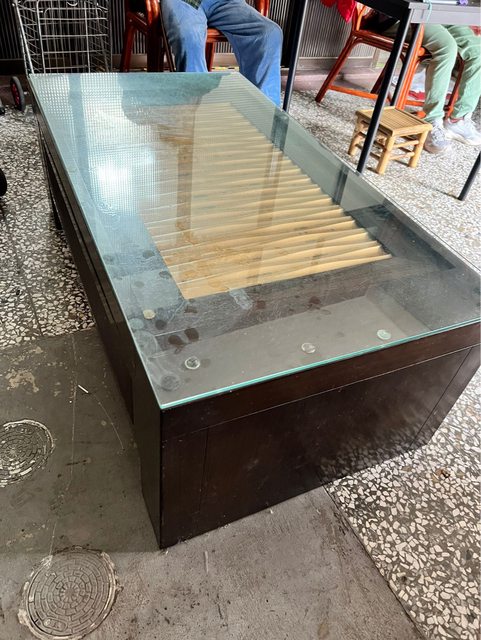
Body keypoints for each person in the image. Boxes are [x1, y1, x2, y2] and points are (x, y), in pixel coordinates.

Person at [368, 14, 481, 154]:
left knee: (478, 49)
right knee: (446, 48)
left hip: (442, 14)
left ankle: (459, 119)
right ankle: (431, 120)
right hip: (404, 15)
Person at [155, 0, 283, 106]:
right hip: (183, 2)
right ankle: (196, 109)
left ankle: (265, 113)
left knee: (270, 34)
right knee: (189, 37)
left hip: (226, 2)